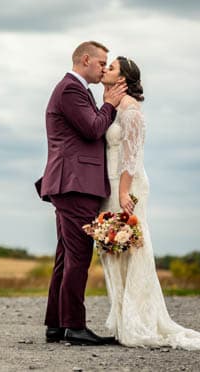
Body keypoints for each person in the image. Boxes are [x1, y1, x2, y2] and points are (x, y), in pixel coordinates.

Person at [98, 56, 200, 350]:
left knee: (132, 247)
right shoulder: (113, 107)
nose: (105, 69)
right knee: (113, 249)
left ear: (123, 79)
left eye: (111, 67)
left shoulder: (131, 111)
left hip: (127, 184)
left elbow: (131, 157)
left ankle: (139, 321)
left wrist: (124, 193)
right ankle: (123, 320)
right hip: (110, 184)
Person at [35, 41, 127, 346]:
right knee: (78, 256)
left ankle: (56, 324)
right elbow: (91, 128)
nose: (103, 68)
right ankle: (74, 326)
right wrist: (110, 105)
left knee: (65, 256)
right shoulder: (71, 90)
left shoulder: (77, 90)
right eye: (101, 63)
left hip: (70, 182)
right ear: (85, 60)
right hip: (74, 182)